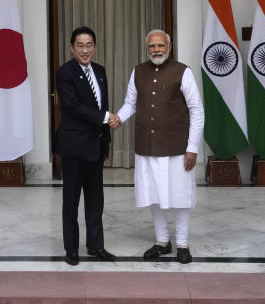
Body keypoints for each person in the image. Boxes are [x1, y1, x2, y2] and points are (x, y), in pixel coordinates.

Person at [116, 29, 204, 264]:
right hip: (148, 146)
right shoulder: (138, 71)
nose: (156, 50)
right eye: (152, 46)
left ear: (169, 47)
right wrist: (118, 119)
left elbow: (197, 109)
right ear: (147, 49)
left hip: (177, 147)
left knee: (180, 196)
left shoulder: (182, 71)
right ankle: (162, 241)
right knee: (154, 195)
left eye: (160, 46)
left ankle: (183, 244)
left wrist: (192, 147)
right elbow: (130, 104)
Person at [54, 26, 118, 266]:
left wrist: (107, 131)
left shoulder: (100, 71)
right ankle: (71, 249)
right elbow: (72, 107)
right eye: (79, 45)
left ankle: (96, 246)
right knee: (71, 202)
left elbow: (102, 102)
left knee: (96, 200)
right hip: (73, 147)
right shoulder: (65, 73)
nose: (84, 50)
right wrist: (106, 117)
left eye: (88, 45)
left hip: (96, 146)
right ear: (72, 48)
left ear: (95, 47)